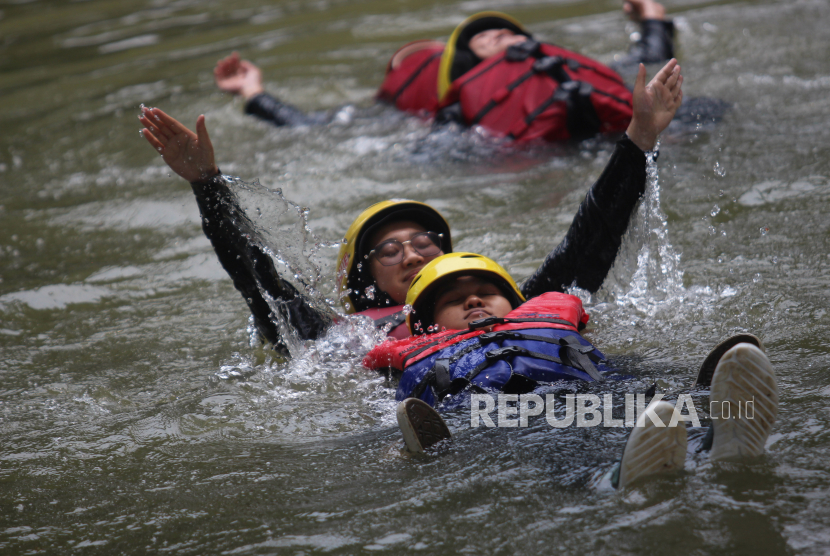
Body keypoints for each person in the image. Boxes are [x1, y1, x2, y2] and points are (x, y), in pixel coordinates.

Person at [138, 53, 682, 353]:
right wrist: (207, 184)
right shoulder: (337, 341)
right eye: (390, 249)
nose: (414, 253)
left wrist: (638, 138)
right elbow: (257, 278)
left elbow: (592, 239)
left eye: (425, 242)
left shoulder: (511, 306)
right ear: (365, 278)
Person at [372, 253, 779, 490]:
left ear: (514, 303)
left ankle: (716, 439)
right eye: (455, 299)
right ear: (428, 324)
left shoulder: (547, 322)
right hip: (499, 418)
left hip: (595, 394)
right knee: (557, 444)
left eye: (487, 292)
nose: (474, 298)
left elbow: (615, 365)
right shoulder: (412, 354)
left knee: (648, 405)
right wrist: (401, 446)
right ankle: (612, 480)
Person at [214, 1, 675, 140]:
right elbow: (316, 127)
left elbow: (649, 67)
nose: (500, 35)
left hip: (615, 136)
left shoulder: (575, 74)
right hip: (522, 159)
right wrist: (253, 94)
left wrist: (652, 18)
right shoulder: (449, 117)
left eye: (509, 32)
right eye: (485, 37)